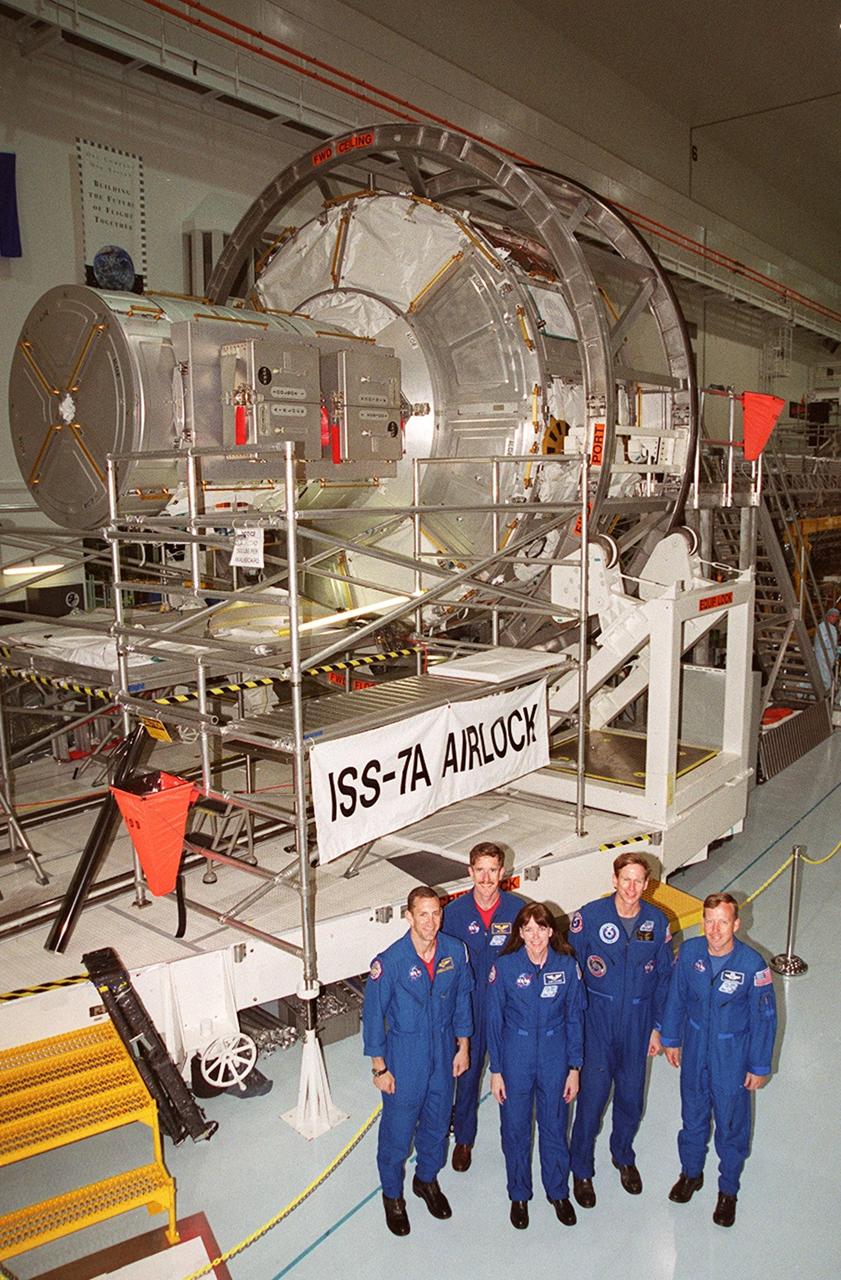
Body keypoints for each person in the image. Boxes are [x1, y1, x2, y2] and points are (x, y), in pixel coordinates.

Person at [660, 892, 777, 1228]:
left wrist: (758, 1065)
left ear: (736, 924)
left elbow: (765, 1018)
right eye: (709, 921)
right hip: (695, 1049)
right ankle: (691, 1174)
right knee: (692, 1116)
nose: (715, 929)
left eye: (722, 921)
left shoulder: (752, 965)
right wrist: (671, 1038)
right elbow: (676, 997)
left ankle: (728, 1190)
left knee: (730, 1124)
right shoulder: (691, 953)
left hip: (732, 1056)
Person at [362, 884, 473, 1236]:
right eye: (422, 914)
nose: (430, 921)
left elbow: (461, 1002)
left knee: (439, 1124)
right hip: (404, 1055)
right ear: (408, 916)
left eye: (436, 912)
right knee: (397, 1132)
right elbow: (373, 1015)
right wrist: (379, 1067)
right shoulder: (389, 962)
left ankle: (426, 1179)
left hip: (443, 1052)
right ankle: (392, 1195)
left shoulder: (455, 952)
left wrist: (464, 1047)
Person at [569, 851, 672, 1206]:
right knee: (592, 1099)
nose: (631, 887)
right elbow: (571, 971)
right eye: (625, 879)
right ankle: (581, 1168)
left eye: (638, 881)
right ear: (614, 880)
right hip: (596, 1023)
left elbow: (664, 980)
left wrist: (658, 1028)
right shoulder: (589, 918)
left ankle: (623, 1155)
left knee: (630, 1099)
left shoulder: (658, 924)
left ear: (647, 884)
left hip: (638, 1025)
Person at [487, 900, 585, 1230]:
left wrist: (574, 1067)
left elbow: (575, 1018)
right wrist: (496, 1070)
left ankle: (558, 1191)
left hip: (555, 1056)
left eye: (540, 928)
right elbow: (493, 1021)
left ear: (550, 931)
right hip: (516, 1053)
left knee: (555, 1125)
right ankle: (518, 1194)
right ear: (519, 932)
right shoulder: (505, 968)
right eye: (527, 929)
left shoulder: (568, 966)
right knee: (515, 1128)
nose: (535, 936)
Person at [442, 841, 523, 1171]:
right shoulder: (454, 914)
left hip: (508, 1007)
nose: (487, 878)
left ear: (503, 872)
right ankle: (463, 1138)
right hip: (470, 1007)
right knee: (467, 1075)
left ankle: (514, 1140)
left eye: (493, 870)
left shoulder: (519, 910)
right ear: (470, 872)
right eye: (480, 870)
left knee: (513, 1075)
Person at [813, 606, 840, 692]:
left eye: (836, 617)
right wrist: (835, 649)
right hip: (823, 656)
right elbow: (825, 642)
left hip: (829, 657)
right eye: (833, 616)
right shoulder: (823, 627)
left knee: (824, 677)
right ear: (828, 616)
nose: (834, 618)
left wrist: (836, 650)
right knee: (824, 679)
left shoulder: (832, 628)